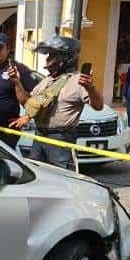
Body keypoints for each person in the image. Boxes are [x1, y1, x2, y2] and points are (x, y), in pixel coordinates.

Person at [11, 36, 104, 170]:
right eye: (47, 55)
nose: (47, 59)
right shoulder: (46, 81)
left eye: (52, 55)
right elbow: (27, 103)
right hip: (39, 137)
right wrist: (16, 82)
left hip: (61, 140)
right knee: (38, 177)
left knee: (62, 180)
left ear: (64, 58)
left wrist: (91, 88)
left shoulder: (77, 80)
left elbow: (98, 106)